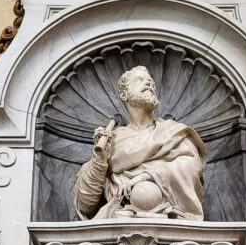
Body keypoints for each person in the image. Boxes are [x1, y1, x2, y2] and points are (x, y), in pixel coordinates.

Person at [73, 66, 206, 220]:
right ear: (124, 94)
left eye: (151, 82)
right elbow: (85, 204)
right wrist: (100, 160)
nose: (149, 84)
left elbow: (192, 167)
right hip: (118, 219)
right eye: (140, 80)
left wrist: (148, 176)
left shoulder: (173, 132)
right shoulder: (111, 141)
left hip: (169, 218)